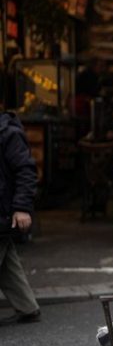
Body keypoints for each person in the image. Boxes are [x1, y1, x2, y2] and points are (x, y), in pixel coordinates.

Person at [0, 110, 41, 325]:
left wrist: (22, 208)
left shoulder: (9, 134)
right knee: (7, 263)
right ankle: (27, 307)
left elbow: (26, 170)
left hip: (4, 210)